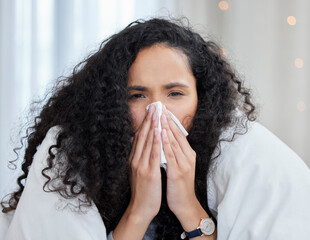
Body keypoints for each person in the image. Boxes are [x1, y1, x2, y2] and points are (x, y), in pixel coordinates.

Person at [1, 18, 310, 240]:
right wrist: (139, 210)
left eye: (175, 93)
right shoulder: (77, 157)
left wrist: (187, 204)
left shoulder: (236, 152)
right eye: (138, 95)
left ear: (202, 100)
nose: (157, 111)